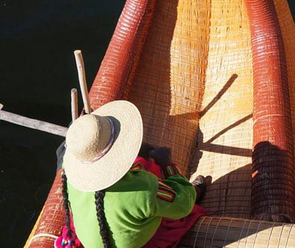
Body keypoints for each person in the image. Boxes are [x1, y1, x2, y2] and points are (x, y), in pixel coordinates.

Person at [57, 100, 207, 248]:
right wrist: (168, 165)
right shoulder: (143, 189)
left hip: (93, 239)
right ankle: (192, 189)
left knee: (143, 164)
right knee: (178, 201)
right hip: (142, 242)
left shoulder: (69, 175)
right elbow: (183, 205)